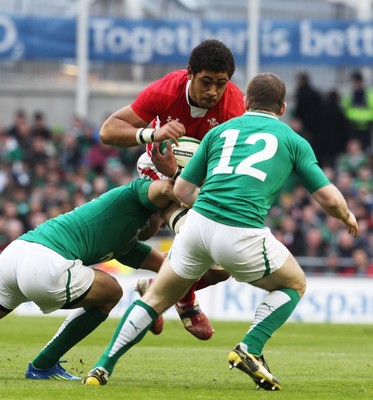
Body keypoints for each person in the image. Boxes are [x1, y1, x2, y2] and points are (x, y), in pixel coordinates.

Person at [83, 72, 358, 390]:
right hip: (242, 231)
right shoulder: (293, 140)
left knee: (157, 296)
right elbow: (326, 196)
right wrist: (346, 215)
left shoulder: (221, 131)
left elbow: (183, 189)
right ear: (282, 108)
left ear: (245, 102)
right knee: (294, 283)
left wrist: (207, 205)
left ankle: (101, 368)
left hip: (197, 226)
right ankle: (250, 349)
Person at [99, 39, 245, 339]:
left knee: (223, 269)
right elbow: (108, 130)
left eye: (221, 83)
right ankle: (181, 298)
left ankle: (163, 289)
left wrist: (179, 172)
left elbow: (226, 176)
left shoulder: (234, 109)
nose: (213, 92)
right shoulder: (165, 91)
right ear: (189, 73)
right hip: (158, 170)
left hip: (197, 180)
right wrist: (152, 133)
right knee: (177, 233)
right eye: (206, 82)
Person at [0, 178, 176, 380]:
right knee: (111, 293)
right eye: (163, 221)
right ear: (155, 211)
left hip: (15, 252)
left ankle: (44, 366)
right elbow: (166, 187)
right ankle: (44, 365)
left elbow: (171, 267)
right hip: (46, 263)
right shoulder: (135, 194)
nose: (161, 225)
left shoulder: (127, 244)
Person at [342, 70, 373, 149]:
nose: (354, 84)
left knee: (365, 148)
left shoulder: (368, 94)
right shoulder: (350, 94)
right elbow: (344, 107)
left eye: (355, 81)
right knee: (354, 148)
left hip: (366, 126)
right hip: (353, 126)